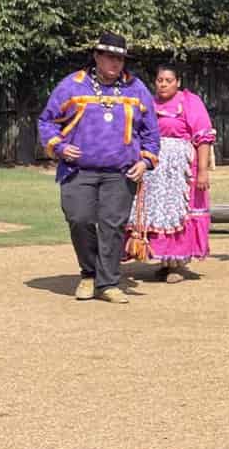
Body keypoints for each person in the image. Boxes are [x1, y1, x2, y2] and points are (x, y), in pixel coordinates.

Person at [37, 33, 159, 303]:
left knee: (112, 226)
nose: (115, 62)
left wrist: (145, 161)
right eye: (110, 57)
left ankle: (108, 283)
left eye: (120, 58)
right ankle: (89, 273)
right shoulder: (72, 86)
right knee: (78, 218)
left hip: (121, 171)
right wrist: (58, 146)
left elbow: (151, 133)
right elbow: (47, 122)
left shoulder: (136, 89)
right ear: (97, 56)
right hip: (78, 169)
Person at [142, 66, 216, 281]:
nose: (163, 84)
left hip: (181, 169)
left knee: (179, 213)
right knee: (160, 212)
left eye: (168, 80)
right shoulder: (149, 103)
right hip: (155, 169)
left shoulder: (190, 102)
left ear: (178, 82)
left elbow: (203, 138)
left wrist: (202, 171)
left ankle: (177, 264)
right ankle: (164, 260)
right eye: (159, 80)